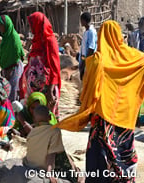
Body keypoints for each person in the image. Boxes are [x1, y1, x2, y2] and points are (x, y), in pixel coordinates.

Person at [56, 20, 144, 182]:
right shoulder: (138, 59)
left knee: (99, 157)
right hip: (126, 118)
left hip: (102, 118)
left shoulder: (97, 60)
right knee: (123, 152)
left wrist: (84, 107)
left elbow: (88, 91)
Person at [20, 12, 61, 121]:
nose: (30, 27)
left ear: (38, 24)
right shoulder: (36, 40)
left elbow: (54, 65)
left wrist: (50, 90)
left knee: (46, 116)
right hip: (34, 90)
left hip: (46, 88)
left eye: (32, 24)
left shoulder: (49, 41)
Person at [24, 105, 80, 183]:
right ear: (50, 117)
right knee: (63, 154)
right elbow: (51, 154)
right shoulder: (54, 131)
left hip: (30, 165)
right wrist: (49, 172)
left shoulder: (32, 132)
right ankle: (75, 177)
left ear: (34, 119)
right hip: (44, 166)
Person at [0, 15, 25, 102]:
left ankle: (13, 113)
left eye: (0, 25)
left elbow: (18, 54)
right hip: (6, 69)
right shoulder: (5, 38)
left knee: (13, 93)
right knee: (5, 92)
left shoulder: (13, 37)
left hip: (14, 68)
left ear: (6, 25)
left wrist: (11, 69)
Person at [128, 17, 144, 127]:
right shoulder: (135, 35)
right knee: (136, 93)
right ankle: (136, 117)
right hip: (137, 67)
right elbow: (131, 49)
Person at [79, 12, 97, 80]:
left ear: (84, 20)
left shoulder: (91, 32)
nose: (80, 22)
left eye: (81, 20)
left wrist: (84, 63)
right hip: (84, 59)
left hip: (89, 61)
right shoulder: (86, 31)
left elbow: (91, 49)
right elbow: (84, 50)